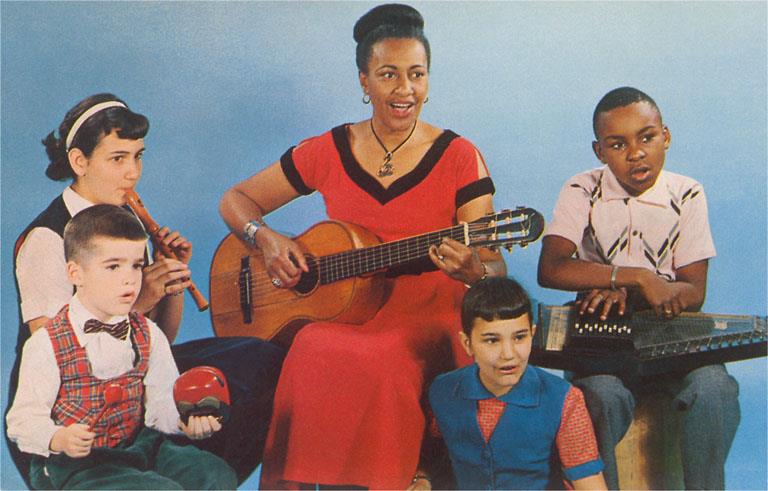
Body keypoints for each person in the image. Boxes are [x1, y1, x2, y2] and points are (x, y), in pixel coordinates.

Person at [219, 4, 507, 488]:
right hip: (345, 309)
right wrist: (265, 239)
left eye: (416, 74)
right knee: (310, 345)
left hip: (429, 312)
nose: (404, 89)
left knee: (383, 361)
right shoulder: (329, 149)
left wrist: (474, 271)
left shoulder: (459, 155)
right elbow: (235, 201)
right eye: (388, 74)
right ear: (364, 82)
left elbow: (494, 266)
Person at [7, 93, 284, 486]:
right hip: (66, 423)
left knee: (260, 360)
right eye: (118, 159)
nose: (132, 173)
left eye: (138, 157)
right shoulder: (46, 239)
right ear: (79, 162)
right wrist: (143, 297)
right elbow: (57, 352)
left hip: (126, 394)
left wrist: (172, 280)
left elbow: (157, 342)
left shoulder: (125, 221)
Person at [537, 86, 740, 489]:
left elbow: (693, 292)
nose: (635, 153)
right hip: (602, 340)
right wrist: (637, 277)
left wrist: (624, 288)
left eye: (646, 138)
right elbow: (551, 269)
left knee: (714, 388)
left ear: (666, 136)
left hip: (671, 338)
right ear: (599, 152)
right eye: (618, 144)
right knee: (600, 396)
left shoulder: (687, 193)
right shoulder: (582, 189)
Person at [6, 205, 238, 490]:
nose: (129, 278)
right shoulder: (47, 343)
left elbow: (161, 403)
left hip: (137, 447)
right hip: (74, 464)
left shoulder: (147, 333)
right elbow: (22, 421)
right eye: (113, 266)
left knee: (213, 474)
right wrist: (57, 438)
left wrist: (184, 422)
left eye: (136, 265)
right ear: (75, 274)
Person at [429, 277, 606, 490]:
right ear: (467, 344)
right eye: (492, 340)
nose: (508, 354)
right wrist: (422, 478)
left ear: (532, 334)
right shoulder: (443, 391)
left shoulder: (564, 399)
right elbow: (434, 455)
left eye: (519, 338)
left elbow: (590, 483)